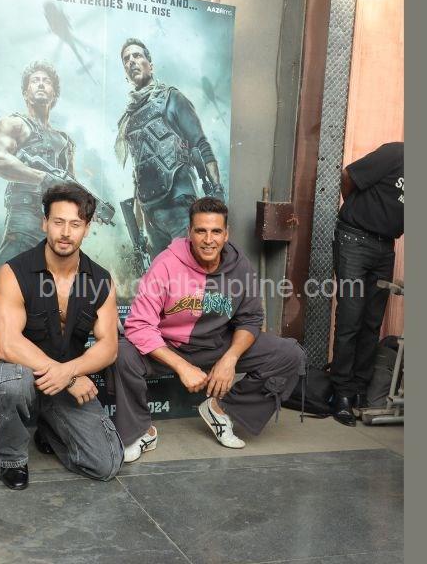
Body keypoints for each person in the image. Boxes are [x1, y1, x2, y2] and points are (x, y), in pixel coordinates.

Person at [112, 197, 305, 462]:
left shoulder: (240, 265)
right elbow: (139, 324)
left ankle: (221, 411)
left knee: (289, 354)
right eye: (201, 231)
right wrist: (182, 366)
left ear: (226, 234)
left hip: (217, 345)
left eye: (216, 231)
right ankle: (139, 432)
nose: (208, 239)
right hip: (170, 347)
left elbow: (250, 319)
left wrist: (230, 358)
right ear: (189, 233)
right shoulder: (166, 264)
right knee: (123, 354)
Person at [0, 183, 124, 489]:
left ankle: (49, 430)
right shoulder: (14, 271)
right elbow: (7, 344)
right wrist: (70, 376)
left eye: (75, 224)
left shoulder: (100, 280)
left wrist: (68, 373)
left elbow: (109, 347)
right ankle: (12, 459)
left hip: (64, 380)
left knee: (106, 464)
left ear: (87, 228)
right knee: (12, 383)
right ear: (44, 222)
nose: (65, 232)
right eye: (58, 222)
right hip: (22, 370)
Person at [115, 38, 225, 258]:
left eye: (137, 55)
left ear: (151, 65)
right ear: (125, 72)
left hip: (180, 205)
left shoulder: (172, 98)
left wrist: (217, 193)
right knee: (161, 277)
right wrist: (139, 226)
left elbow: (200, 144)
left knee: (186, 273)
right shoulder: (128, 119)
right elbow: (139, 171)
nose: (131, 61)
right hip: (151, 215)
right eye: (126, 59)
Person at [330, 142, 404, 426]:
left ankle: (359, 389)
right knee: (350, 318)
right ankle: (341, 393)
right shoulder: (396, 153)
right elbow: (348, 175)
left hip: (386, 248)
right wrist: (355, 210)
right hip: (354, 240)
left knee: (372, 323)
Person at [0, 60, 76, 276]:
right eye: (35, 80)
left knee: (52, 294)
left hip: (57, 229)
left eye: (47, 81)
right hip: (24, 221)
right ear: (26, 92)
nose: (41, 84)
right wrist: (43, 178)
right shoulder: (14, 124)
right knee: (7, 286)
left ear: (54, 94)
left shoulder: (65, 141)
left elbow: (72, 186)